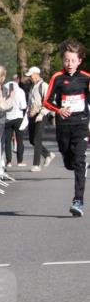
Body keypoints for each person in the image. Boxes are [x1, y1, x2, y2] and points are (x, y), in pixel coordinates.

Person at [43, 40, 90, 216]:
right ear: (62, 61)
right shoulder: (57, 77)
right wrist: (59, 109)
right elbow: (46, 101)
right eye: (66, 60)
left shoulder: (86, 78)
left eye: (73, 60)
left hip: (81, 125)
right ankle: (69, 159)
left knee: (79, 161)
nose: (69, 64)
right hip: (63, 126)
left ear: (79, 61)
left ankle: (78, 201)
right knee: (68, 159)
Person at [26, 66, 54, 172]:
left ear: (36, 74)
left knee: (37, 139)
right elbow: (31, 101)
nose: (30, 78)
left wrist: (41, 114)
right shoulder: (32, 86)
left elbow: (48, 101)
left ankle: (36, 164)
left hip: (41, 114)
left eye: (31, 75)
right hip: (32, 114)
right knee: (32, 139)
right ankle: (47, 154)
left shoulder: (44, 85)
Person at [3, 75, 28, 167]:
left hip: (7, 117)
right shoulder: (20, 91)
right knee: (19, 140)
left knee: (7, 141)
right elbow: (23, 106)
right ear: (17, 80)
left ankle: (9, 161)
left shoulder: (4, 89)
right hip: (18, 117)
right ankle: (20, 161)